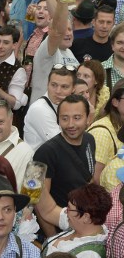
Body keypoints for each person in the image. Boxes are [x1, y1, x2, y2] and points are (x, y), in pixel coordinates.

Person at [34, 94, 97, 231]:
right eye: (64, 118)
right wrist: (52, 241)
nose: (71, 124)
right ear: (58, 120)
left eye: (77, 118)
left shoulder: (89, 140)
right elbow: (38, 203)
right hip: (61, 227)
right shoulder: (46, 153)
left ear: (88, 118)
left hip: (84, 224)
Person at [42, 183, 111, 258]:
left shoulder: (91, 257)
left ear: (86, 217)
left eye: (69, 208)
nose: (66, 211)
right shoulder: (80, 225)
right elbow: (48, 211)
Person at [24, 65, 77, 150]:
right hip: (37, 162)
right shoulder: (39, 109)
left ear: (73, 88)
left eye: (64, 87)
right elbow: (64, 146)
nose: (58, 91)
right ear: (47, 84)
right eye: (54, 85)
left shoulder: (65, 105)